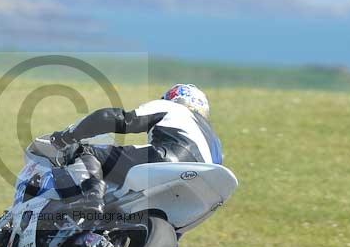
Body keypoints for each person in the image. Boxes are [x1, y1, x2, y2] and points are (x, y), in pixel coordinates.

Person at [50, 83, 222, 217]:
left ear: (172, 97)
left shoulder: (172, 107)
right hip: (205, 190)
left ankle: (92, 200)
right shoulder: (215, 141)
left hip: (168, 160)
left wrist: (69, 136)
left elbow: (120, 120)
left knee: (84, 151)